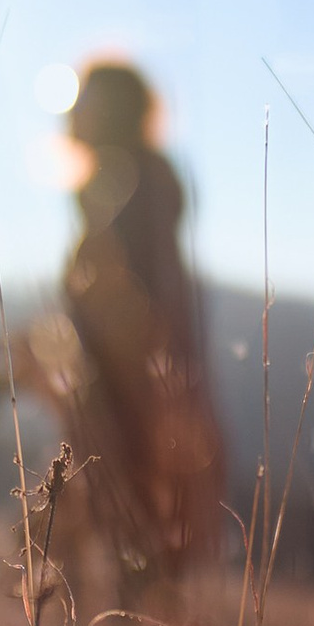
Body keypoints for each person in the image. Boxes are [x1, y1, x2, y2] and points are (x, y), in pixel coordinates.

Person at [57, 59, 226, 571]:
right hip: (138, 418)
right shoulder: (131, 188)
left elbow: (135, 320)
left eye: (86, 100)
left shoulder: (135, 189)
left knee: (140, 573)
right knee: (130, 576)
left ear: (112, 111)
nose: (72, 114)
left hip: (140, 423)